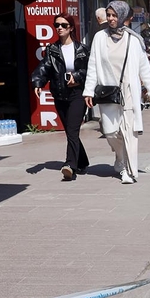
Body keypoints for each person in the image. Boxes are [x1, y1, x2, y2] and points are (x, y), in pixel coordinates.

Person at [83, 1, 150, 184]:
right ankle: (119, 156)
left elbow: (143, 67)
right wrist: (88, 91)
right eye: (109, 15)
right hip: (108, 91)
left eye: (114, 15)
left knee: (128, 132)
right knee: (110, 132)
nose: (110, 18)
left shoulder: (134, 40)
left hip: (128, 91)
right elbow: (92, 65)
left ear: (124, 17)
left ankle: (127, 169)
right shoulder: (99, 38)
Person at [31, 13, 89, 180]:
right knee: (71, 132)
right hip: (60, 94)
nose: (59, 28)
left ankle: (70, 165)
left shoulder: (82, 49)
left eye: (63, 25)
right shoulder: (52, 49)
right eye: (57, 25)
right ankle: (82, 161)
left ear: (71, 27)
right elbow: (44, 67)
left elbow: (90, 71)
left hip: (78, 94)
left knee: (72, 129)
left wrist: (76, 77)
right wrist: (38, 83)